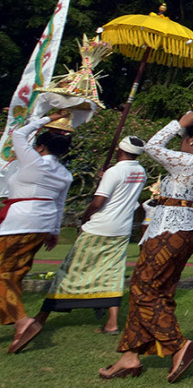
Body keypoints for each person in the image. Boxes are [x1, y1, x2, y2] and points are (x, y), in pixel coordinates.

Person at [99, 110, 193, 380]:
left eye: (183, 137)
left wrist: (178, 124)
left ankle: (178, 345)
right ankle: (129, 357)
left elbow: (150, 147)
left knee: (143, 288)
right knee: (160, 290)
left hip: (170, 228)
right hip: (187, 231)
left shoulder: (188, 161)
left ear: (190, 141)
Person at [36, 136, 147, 336]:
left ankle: (41, 317)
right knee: (112, 273)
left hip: (100, 226)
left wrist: (84, 219)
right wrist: (104, 178)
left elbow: (98, 202)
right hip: (122, 229)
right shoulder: (140, 172)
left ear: (119, 149)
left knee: (70, 269)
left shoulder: (114, 171)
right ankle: (112, 323)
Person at [1, 112, 72, 354]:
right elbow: (60, 204)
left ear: (40, 147)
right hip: (42, 224)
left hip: (19, 222)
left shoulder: (34, 161)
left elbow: (18, 133)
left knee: (3, 275)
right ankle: (15, 322)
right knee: (15, 274)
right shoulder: (65, 173)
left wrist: (48, 117)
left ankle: (22, 321)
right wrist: (53, 231)